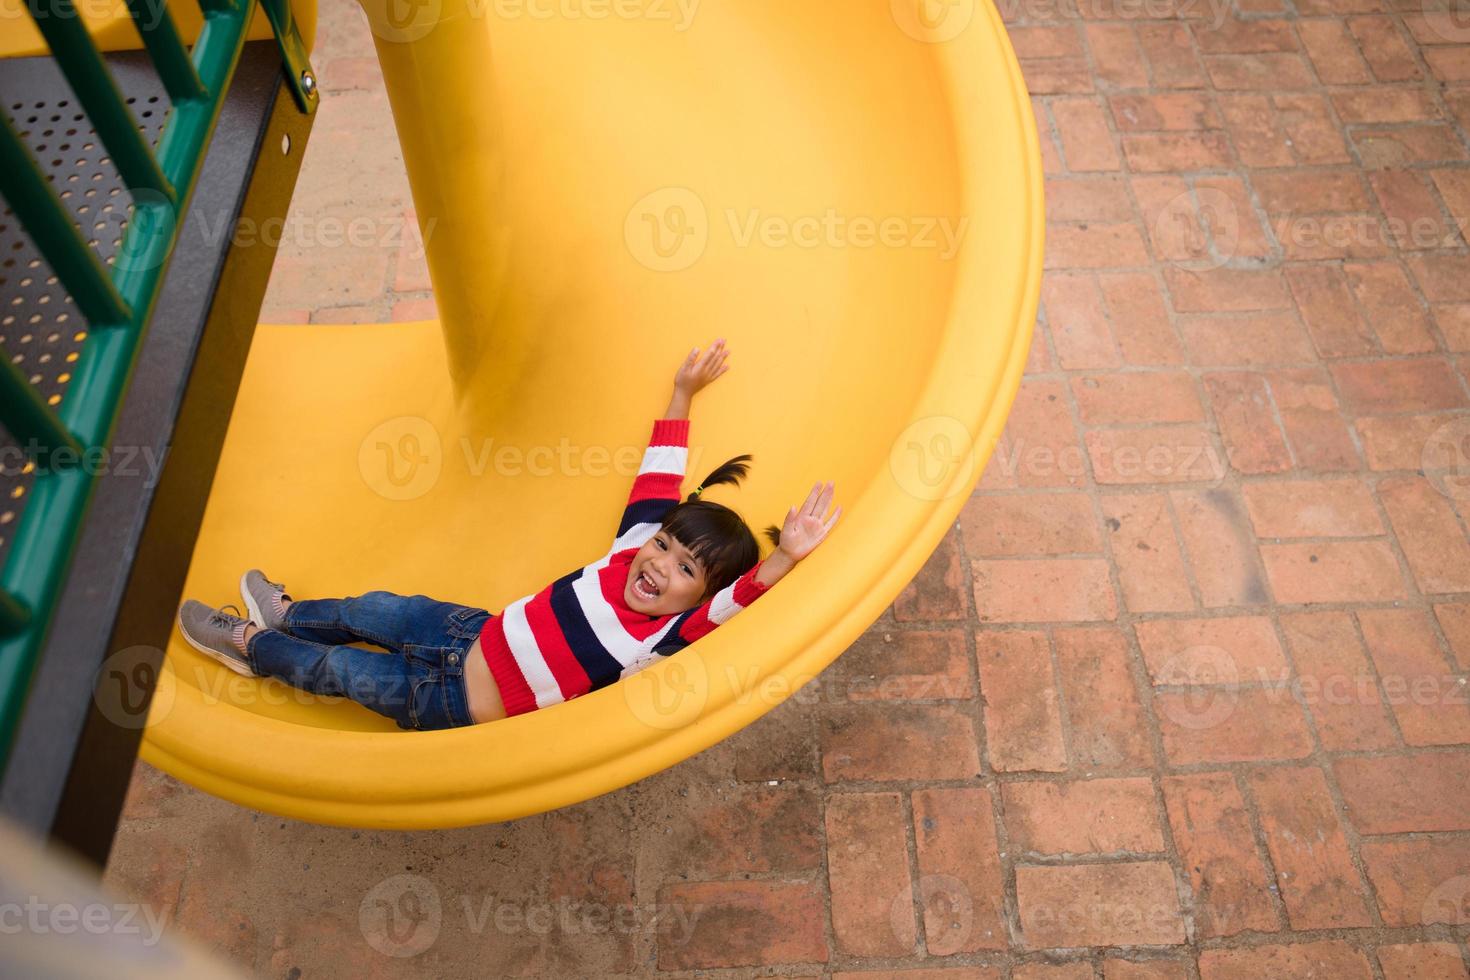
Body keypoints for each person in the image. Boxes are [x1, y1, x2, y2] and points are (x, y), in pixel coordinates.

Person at [175, 338, 842, 730]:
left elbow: (739, 599)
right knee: (370, 608)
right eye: (665, 545)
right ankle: (290, 614)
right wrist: (682, 395)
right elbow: (658, 479)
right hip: (467, 630)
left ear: (697, 600)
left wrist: (786, 556)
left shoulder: (666, 634)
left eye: (686, 570)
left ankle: (251, 645)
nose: (661, 563)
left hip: (450, 701)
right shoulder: (627, 549)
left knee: (340, 670)